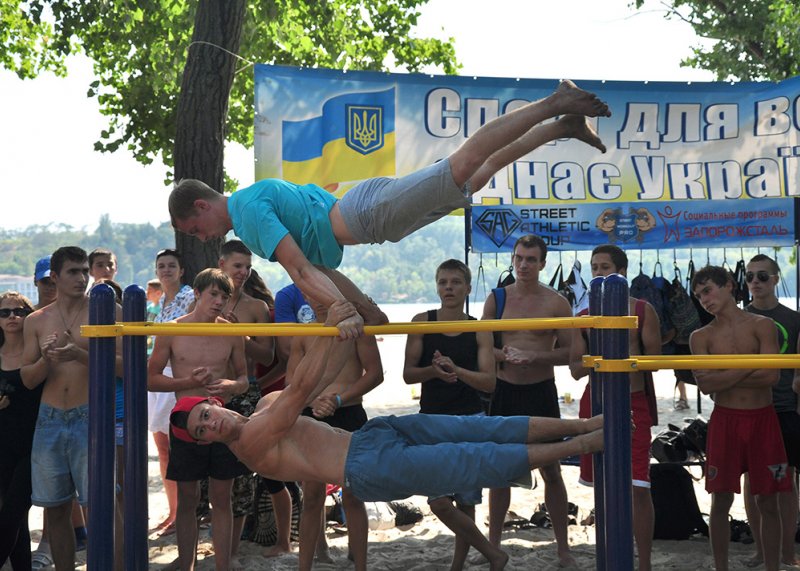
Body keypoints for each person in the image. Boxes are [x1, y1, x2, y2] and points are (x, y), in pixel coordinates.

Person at [169, 81, 611, 339]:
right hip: (371, 217)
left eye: (195, 228)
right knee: (475, 176)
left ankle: (555, 101)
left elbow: (302, 272)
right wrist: (360, 307)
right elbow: (321, 269)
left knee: (465, 163)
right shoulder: (251, 209)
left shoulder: (244, 211)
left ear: (203, 205)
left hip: (367, 213)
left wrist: (340, 312)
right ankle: (563, 126)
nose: (202, 238)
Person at [168, 298, 605, 510]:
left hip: (371, 436)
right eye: (202, 431)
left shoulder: (263, 403)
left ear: (213, 403)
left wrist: (339, 346)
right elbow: (299, 389)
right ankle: (585, 444)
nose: (210, 425)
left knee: (482, 428)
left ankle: (587, 425)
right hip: (367, 468)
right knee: (475, 459)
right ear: (207, 443)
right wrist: (334, 323)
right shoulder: (251, 443)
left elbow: (307, 387)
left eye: (205, 416)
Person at [21, 246, 121, 571]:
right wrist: (46, 359)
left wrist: (78, 354)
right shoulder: (36, 320)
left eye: (84, 271)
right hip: (48, 420)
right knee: (56, 509)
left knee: (103, 506)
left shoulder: (109, 311)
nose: (82, 278)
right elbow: (27, 379)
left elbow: (124, 368)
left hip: (90, 415)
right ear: (55, 276)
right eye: (73, 272)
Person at [481, 235, 576, 568]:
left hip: (540, 391)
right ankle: (493, 547)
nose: (523, 265)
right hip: (505, 391)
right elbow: (480, 346)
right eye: (519, 258)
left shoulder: (557, 302)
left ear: (543, 264)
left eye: (531, 260)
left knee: (552, 469)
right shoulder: (497, 299)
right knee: (499, 472)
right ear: (512, 259)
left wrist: (535, 355)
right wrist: (504, 356)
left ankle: (563, 549)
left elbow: (571, 352)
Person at [403, 259, 503, 571]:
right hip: (431, 419)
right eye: (443, 282)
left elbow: (489, 382)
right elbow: (408, 375)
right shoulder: (421, 321)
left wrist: (455, 369)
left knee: (467, 500)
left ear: (467, 288)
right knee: (438, 501)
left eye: (455, 282)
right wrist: (434, 372)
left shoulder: (478, 329)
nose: (449, 287)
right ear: (437, 286)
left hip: (470, 418)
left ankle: (458, 566)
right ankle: (492, 553)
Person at [148, 268, 251, 571]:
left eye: (224, 296)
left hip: (222, 424)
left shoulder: (231, 332)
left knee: (222, 497)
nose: (219, 301)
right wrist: (185, 382)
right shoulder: (171, 330)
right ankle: (187, 564)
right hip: (184, 423)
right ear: (196, 294)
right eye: (213, 294)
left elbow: (245, 378)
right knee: (187, 499)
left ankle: (223, 565)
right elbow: (150, 379)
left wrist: (232, 386)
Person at [690, 265, 789, 571]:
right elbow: (706, 386)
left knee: (768, 501)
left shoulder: (762, 325)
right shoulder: (700, 336)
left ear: (729, 285)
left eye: (708, 290)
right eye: (699, 296)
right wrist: (749, 365)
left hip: (763, 419)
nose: (705, 300)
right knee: (720, 501)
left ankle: (772, 566)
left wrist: (726, 373)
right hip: (725, 421)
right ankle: (722, 567)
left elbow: (771, 375)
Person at [568, 244, 660, 571]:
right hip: (596, 400)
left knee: (638, 486)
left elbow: (656, 363)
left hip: (633, 402)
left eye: (604, 267)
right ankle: (606, 559)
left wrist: (622, 359)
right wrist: (600, 357)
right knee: (602, 490)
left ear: (622, 271)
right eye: (594, 267)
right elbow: (575, 369)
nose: (598, 273)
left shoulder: (644, 311)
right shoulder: (582, 317)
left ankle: (644, 563)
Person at [291, 300, 382, 571]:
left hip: (349, 410)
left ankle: (360, 564)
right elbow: (291, 383)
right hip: (312, 411)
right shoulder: (304, 333)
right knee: (313, 495)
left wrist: (340, 399)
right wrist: (315, 401)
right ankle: (305, 565)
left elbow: (375, 374)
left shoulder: (358, 329)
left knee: (353, 494)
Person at [216, 240, 276, 561]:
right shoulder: (205, 302)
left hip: (245, 391)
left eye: (248, 266)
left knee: (241, 476)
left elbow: (267, 354)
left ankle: (233, 549)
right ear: (222, 265)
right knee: (208, 477)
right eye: (237, 266)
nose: (243, 272)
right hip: (210, 390)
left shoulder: (256, 307)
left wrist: (240, 336)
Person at [742, 254, 800, 568]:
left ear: (776, 279)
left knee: (786, 480)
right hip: (753, 406)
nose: (755, 282)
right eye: (750, 276)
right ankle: (762, 550)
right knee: (753, 480)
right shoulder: (738, 318)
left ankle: (787, 550)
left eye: (762, 276)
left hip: (785, 407)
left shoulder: (793, 318)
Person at [148, 248, 195, 538]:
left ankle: (186, 514)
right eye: (161, 266)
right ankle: (174, 510)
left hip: (178, 374)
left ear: (181, 270)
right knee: (162, 447)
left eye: (171, 265)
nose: (166, 270)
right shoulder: (157, 303)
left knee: (179, 447)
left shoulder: (190, 297)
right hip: (157, 374)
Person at [0, 292, 40, 570]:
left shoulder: (35, 349)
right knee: (17, 518)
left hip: (35, 442)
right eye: (5, 312)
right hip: (2, 444)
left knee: (12, 511)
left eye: (19, 311)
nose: (12, 316)